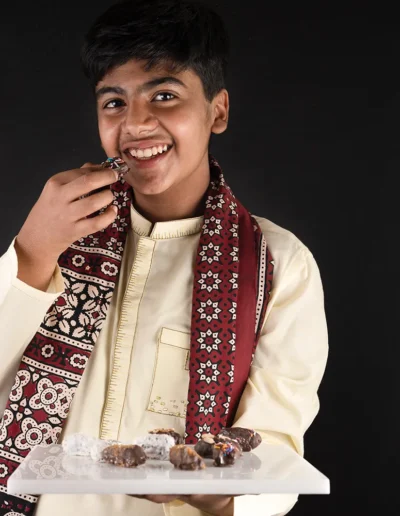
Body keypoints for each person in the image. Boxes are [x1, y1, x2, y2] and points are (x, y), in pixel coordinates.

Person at [0, 0, 329, 515]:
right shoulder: (57, 235)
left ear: (217, 110)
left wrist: (222, 498)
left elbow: (276, 443)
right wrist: (30, 253)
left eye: (165, 95)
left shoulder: (279, 265)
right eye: (114, 102)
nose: (136, 123)